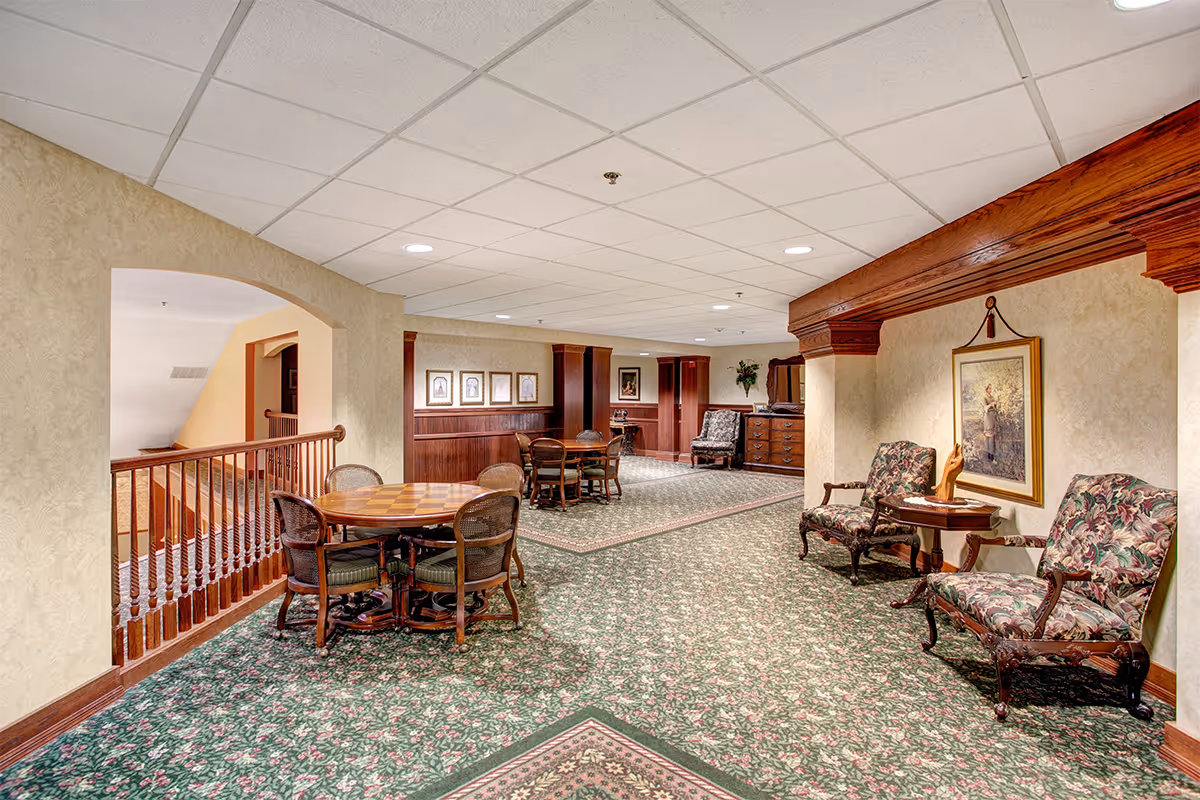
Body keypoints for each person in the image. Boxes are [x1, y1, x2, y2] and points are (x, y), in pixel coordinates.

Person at [982, 384, 999, 462]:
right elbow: (985, 408)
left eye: (991, 388)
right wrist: (992, 404)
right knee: (989, 434)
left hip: (992, 416)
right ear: (986, 389)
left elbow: (996, 408)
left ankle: (991, 454)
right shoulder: (984, 397)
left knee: (992, 434)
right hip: (988, 416)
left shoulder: (991, 397)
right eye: (989, 389)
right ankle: (989, 455)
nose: (990, 390)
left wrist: (997, 402)